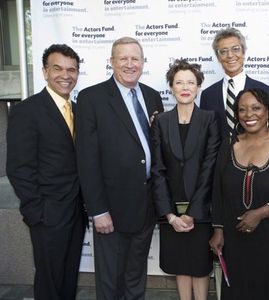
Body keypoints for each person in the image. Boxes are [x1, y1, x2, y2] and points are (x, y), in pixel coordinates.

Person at [75, 37, 164, 299]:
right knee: (111, 280)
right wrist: (98, 210)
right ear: (111, 62)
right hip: (111, 209)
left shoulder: (152, 96)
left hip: (146, 206)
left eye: (135, 58)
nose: (129, 64)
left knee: (136, 276)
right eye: (122, 58)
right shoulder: (92, 98)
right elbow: (87, 159)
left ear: (143, 62)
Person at [209, 88, 269, 300]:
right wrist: (218, 230)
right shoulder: (229, 146)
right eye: (242, 110)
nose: (249, 114)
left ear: (268, 111)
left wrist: (261, 213)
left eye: (256, 108)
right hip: (234, 241)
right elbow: (218, 191)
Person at [6, 44, 86, 300]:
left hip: (76, 211)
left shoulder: (78, 110)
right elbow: (19, 168)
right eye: (58, 68)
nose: (66, 75)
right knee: (49, 281)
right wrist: (37, 211)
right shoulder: (26, 111)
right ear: (44, 72)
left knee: (68, 277)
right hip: (47, 213)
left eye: (71, 69)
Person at [151, 59, 220, 300]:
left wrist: (193, 212)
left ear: (199, 87)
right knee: (180, 263)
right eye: (179, 82)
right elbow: (157, 169)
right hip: (171, 209)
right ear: (171, 87)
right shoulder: (161, 122)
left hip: (200, 209)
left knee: (199, 265)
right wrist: (169, 215)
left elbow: (210, 167)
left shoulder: (210, 119)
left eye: (191, 82)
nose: (185, 86)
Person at [199, 27, 269, 138]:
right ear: (218, 57)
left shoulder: (265, 90)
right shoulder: (208, 95)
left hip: (256, 154)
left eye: (235, 49)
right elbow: (205, 135)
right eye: (223, 51)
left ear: (243, 52)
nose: (230, 55)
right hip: (219, 155)